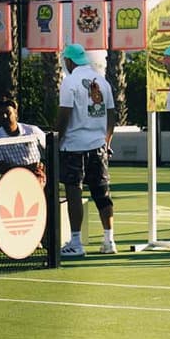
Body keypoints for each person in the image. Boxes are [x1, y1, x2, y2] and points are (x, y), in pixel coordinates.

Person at [56, 42, 117, 257]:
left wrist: (56, 140)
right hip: (98, 146)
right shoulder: (103, 81)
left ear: (69, 61)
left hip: (73, 146)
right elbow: (111, 114)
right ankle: (109, 240)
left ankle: (76, 242)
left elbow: (64, 114)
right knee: (102, 192)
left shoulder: (69, 82)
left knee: (74, 191)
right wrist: (106, 141)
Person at [0, 95, 46, 208]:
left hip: (35, 174)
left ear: (16, 114)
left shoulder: (32, 131)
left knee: (31, 192)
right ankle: (0, 224)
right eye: (0, 114)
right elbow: (0, 168)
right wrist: (26, 168)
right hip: (10, 176)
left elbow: (52, 148)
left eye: (8, 113)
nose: (4, 116)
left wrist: (42, 167)